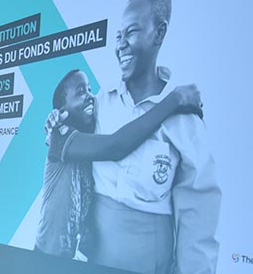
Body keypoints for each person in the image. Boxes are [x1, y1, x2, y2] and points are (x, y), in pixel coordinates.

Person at [85, 0, 219, 274]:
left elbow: (199, 215)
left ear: (159, 34)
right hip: (94, 269)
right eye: (118, 35)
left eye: (131, 32)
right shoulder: (101, 102)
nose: (121, 44)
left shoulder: (185, 119)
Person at [36, 70, 202, 259]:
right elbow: (116, 146)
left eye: (90, 89)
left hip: (68, 257)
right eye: (81, 91)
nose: (90, 96)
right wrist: (174, 100)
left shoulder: (87, 138)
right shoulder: (60, 136)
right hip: (46, 256)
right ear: (61, 110)